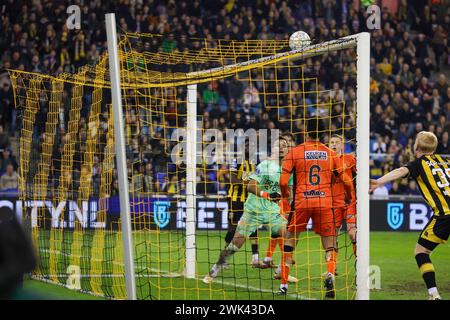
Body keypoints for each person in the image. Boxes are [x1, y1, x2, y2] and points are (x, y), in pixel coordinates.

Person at [279, 119, 354, 298]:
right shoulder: (330, 153)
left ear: (306, 131)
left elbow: (283, 181)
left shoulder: (295, 152)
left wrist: (285, 195)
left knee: (290, 240)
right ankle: (329, 273)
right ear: (323, 134)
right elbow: (346, 180)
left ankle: (283, 284)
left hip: (302, 202)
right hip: (325, 203)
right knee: (330, 242)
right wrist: (350, 196)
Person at [370, 131, 449, 300]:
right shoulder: (446, 161)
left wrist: (378, 182)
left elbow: (400, 171)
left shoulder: (419, 163)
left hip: (445, 215)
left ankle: (434, 294)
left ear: (416, 147)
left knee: (421, 252)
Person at [203, 137, 294, 284]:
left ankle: (281, 271)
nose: (282, 147)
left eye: (285, 145)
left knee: (290, 234)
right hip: (254, 210)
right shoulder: (265, 165)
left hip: (272, 211)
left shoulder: (289, 170)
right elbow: (250, 186)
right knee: (236, 243)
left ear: (289, 150)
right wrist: (267, 195)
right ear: (274, 149)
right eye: (279, 145)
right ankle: (215, 269)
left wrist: (292, 206)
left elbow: (288, 192)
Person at [225, 139, 260, 267]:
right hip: (235, 200)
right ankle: (225, 257)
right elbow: (233, 179)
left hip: (249, 200)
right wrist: (247, 184)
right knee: (233, 229)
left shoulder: (254, 164)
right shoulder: (237, 160)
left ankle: (255, 258)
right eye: (247, 145)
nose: (249, 147)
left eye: (251, 145)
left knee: (253, 226)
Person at [329, 135, 357, 256]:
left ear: (342, 145)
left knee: (352, 233)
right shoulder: (325, 161)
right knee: (332, 235)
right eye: (331, 142)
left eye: (337, 142)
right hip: (333, 203)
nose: (334, 144)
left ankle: (359, 262)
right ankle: (331, 270)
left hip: (349, 201)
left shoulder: (350, 158)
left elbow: (359, 176)